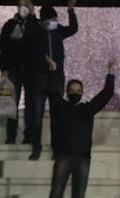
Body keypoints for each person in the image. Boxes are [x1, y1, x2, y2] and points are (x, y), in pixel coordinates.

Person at [43, 62, 114, 198]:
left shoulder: (87, 109)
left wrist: (111, 73)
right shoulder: (59, 106)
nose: (75, 92)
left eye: (78, 90)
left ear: (82, 92)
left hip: (83, 159)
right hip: (63, 157)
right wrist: (53, 71)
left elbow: (106, 94)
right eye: (72, 89)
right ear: (67, 92)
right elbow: (51, 90)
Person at [23, 0, 79, 159]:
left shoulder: (58, 30)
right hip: (39, 77)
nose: (54, 23)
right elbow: (28, 31)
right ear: (44, 20)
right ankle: (36, 147)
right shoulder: (35, 29)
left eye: (55, 20)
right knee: (37, 114)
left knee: (57, 115)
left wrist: (71, 11)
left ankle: (57, 148)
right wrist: (32, 14)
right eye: (51, 20)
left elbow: (73, 29)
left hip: (56, 78)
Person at [0, 0, 34, 144]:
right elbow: (3, 47)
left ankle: (29, 135)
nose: (22, 8)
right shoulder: (9, 25)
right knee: (12, 104)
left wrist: (32, 16)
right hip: (13, 69)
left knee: (31, 104)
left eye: (26, 5)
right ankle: (11, 136)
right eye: (20, 5)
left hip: (31, 70)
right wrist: (3, 69)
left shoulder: (34, 24)